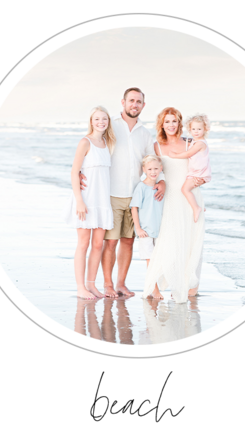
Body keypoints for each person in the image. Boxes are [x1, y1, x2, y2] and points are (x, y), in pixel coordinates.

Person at [79, 88, 166, 298]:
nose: (134, 105)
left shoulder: (145, 133)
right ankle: (107, 284)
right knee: (111, 242)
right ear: (123, 102)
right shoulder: (111, 126)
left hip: (136, 196)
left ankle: (120, 284)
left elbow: (152, 162)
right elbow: (92, 147)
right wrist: (80, 171)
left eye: (138, 102)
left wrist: (162, 181)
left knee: (128, 241)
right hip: (110, 194)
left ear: (143, 106)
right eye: (131, 101)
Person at [142, 107, 209, 303]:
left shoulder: (191, 142)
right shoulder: (157, 147)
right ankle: (174, 281)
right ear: (161, 125)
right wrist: (160, 183)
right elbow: (152, 171)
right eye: (167, 122)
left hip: (190, 196)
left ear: (180, 123)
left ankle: (191, 285)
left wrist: (202, 181)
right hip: (169, 198)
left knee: (192, 239)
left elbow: (203, 166)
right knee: (171, 239)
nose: (171, 125)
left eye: (174, 121)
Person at [65, 106, 116, 300]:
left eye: (104, 119)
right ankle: (80, 287)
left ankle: (92, 285)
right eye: (97, 119)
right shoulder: (85, 142)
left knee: (97, 245)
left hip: (102, 200)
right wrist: (79, 200)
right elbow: (74, 172)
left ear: (108, 122)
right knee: (83, 243)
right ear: (91, 121)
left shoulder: (107, 142)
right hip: (86, 199)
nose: (101, 122)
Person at [130, 155, 165, 299]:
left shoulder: (161, 188)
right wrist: (138, 229)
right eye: (150, 169)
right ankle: (154, 289)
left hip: (160, 230)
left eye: (156, 168)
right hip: (145, 231)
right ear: (144, 169)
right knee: (150, 261)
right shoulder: (141, 187)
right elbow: (134, 208)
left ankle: (156, 287)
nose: (153, 171)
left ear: (160, 169)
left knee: (159, 259)